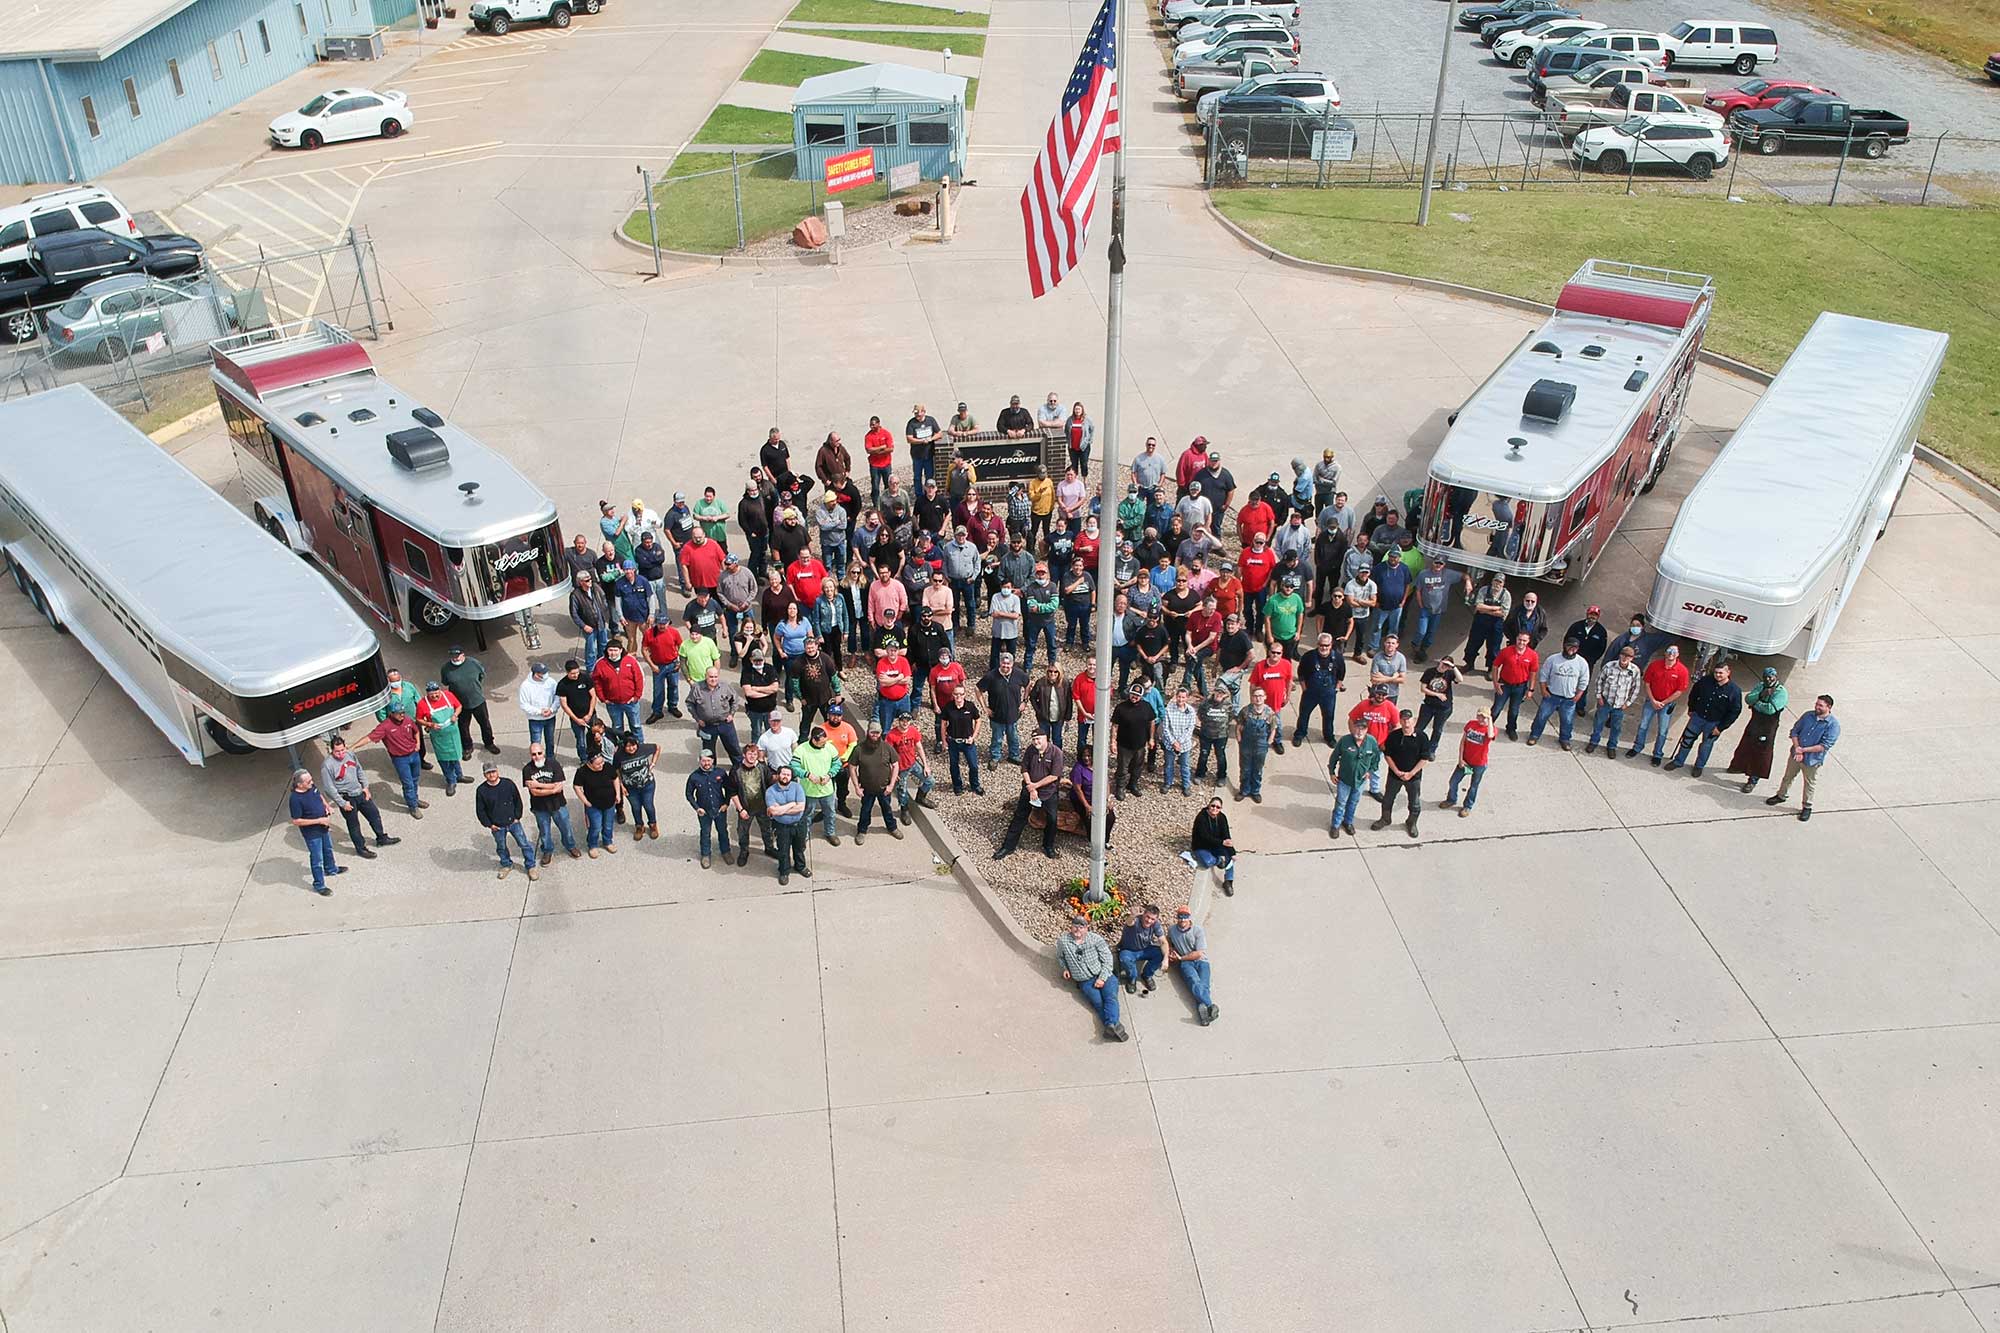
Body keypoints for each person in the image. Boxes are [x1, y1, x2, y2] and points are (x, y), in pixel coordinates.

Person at [319, 736, 396, 860]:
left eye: (342, 750)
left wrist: (365, 787)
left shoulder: (350, 755)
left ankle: (381, 837)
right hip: (346, 798)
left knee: (374, 814)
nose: (341, 754)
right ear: (331, 750)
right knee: (354, 825)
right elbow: (329, 788)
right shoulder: (327, 765)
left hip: (360, 793)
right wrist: (342, 803)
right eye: (337, 751)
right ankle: (361, 848)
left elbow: (359, 770)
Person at [993, 731, 1067, 860]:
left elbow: (1054, 776)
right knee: (1019, 817)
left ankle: (1048, 846)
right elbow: (1024, 769)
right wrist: (1031, 787)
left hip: (1048, 792)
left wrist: (1035, 786)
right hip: (1029, 790)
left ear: (1046, 739)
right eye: (1033, 739)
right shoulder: (1030, 750)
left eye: (1038, 739)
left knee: (1052, 819)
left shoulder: (1056, 753)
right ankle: (1008, 846)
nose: (1035, 742)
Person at [1765, 694, 1838, 821]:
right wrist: (1797, 748)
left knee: (1809, 783)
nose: (1817, 707)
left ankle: (1807, 807)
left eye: (1820, 705)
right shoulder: (1808, 716)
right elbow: (1794, 731)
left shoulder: (1833, 725)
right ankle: (1781, 795)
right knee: (1788, 776)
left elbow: (1824, 746)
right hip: (1796, 754)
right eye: (1816, 704)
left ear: (1829, 707)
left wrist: (1802, 750)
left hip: (1812, 760)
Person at [1666, 662, 1744, 776]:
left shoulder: (1734, 691)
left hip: (1714, 723)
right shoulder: (1705, 681)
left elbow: (1734, 712)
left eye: (1721, 673)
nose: (1717, 675)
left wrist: (1721, 727)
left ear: (1728, 673)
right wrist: (1691, 708)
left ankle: (1699, 766)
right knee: (1687, 740)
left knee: (1706, 746)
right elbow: (1694, 694)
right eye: (1716, 672)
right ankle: (1678, 761)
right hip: (1697, 718)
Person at [1058, 914, 1127, 1041]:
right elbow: (1061, 958)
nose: (1078, 929)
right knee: (1098, 1003)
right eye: (1075, 926)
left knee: (1110, 997)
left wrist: (1102, 978)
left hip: (1104, 975)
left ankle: (1111, 1025)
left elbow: (1107, 959)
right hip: (1085, 980)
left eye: (1081, 927)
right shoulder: (1063, 941)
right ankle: (1114, 1026)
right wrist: (1065, 968)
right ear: (1071, 927)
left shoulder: (1095, 939)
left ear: (1087, 928)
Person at [358, 701, 427, 817]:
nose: (402, 715)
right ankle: (413, 807)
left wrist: (418, 744)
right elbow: (369, 738)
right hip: (400, 759)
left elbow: (416, 732)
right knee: (408, 783)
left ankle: (414, 799)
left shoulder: (408, 720)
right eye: (399, 713)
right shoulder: (385, 726)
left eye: (403, 712)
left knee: (415, 779)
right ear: (392, 713)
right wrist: (352, 747)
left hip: (414, 755)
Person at [1727, 667, 1789, 793]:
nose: (1768, 679)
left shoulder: (1781, 692)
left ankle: (1753, 779)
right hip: (1755, 722)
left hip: (1768, 727)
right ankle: (1739, 766)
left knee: (1761, 753)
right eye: (1765, 676)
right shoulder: (1760, 686)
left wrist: (1756, 703)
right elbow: (1748, 698)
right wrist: (1760, 696)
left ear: (1776, 677)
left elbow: (1771, 709)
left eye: (1771, 676)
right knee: (1745, 745)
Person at [1628, 644, 1691, 766]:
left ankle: (1657, 754)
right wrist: (1653, 700)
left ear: (1678, 654)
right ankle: (1637, 747)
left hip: (1667, 705)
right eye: (1669, 651)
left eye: (1674, 651)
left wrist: (1664, 702)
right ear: (1665, 653)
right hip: (1651, 701)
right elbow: (1647, 683)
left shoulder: (1682, 671)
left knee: (1662, 731)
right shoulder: (1655, 665)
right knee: (1643, 725)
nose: (1671, 653)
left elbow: (1680, 691)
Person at [475, 762, 538, 881]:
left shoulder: (508, 784)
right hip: (497, 827)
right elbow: (480, 811)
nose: (491, 775)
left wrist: (517, 817)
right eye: (488, 773)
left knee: (524, 844)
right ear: (484, 775)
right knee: (501, 847)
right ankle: (506, 864)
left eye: (493, 771)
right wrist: (489, 825)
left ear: (497, 771)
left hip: (513, 823)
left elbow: (517, 800)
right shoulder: (481, 790)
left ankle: (531, 866)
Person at [1527, 636, 1592, 749]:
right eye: (1569, 646)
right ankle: (1534, 735)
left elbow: (1584, 680)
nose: (1571, 649)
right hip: (1551, 696)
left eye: (1575, 647)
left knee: (1567, 721)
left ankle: (1565, 739)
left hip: (1569, 699)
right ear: (1564, 645)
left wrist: (1578, 695)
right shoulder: (1553, 659)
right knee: (1541, 716)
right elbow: (1543, 675)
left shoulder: (1582, 663)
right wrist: (1543, 689)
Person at [1372, 709, 1428, 838]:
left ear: (1413, 720)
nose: (1406, 722)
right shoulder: (1393, 736)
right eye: (1403, 719)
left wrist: (1411, 773)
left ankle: (1411, 823)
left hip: (1414, 778)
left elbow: (1424, 758)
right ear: (1400, 721)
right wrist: (1396, 771)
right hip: (1394, 776)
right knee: (1387, 800)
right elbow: (1387, 755)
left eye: (1408, 719)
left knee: (1414, 803)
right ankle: (1385, 819)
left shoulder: (1422, 737)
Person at [288, 768, 344, 896]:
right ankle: (319, 884)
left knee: (328, 849)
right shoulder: (295, 799)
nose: (312, 783)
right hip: (312, 833)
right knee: (317, 859)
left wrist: (327, 806)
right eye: (308, 782)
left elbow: (319, 795)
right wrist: (319, 820)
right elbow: (296, 821)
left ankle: (331, 869)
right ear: (299, 784)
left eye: (311, 780)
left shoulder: (311, 787)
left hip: (323, 827)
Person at [521, 741, 579, 862]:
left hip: (558, 805)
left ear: (544, 753)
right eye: (533, 754)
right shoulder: (527, 769)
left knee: (566, 827)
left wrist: (538, 784)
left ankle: (570, 846)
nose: (537, 756)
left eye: (539, 753)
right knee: (544, 832)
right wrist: (552, 789)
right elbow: (534, 792)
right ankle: (547, 851)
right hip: (539, 808)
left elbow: (559, 787)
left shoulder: (554, 764)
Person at [849, 720, 904, 845]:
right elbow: (852, 767)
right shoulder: (859, 749)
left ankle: (892, 827)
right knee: (865, 811)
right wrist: (857, 787)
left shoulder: (887, 747)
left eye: (877, 733)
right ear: (867, 732)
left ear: (880, 734)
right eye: (872, 732)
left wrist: (891, 785)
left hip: (884, 789)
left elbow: (895, 765)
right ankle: (862, 831)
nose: (875, 735)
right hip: (867, 790)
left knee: (887, 810)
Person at [1585, 643, 1642, 756]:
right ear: (1620, 655)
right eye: (1623, 655)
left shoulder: (1635, 670)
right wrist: (1599, 696)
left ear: (1632, 658)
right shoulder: (1609, 666)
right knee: (1598, 723)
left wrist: (1628, 703)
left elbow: (1636, 688)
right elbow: (1599, 681)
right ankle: (1593, 742)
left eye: (1628, 656)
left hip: (1620, 705)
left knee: (1616, 727)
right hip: (1605, 701)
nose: (1625, 658)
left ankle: (1612, 746)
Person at [1327, 715, 1380, 839]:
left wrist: (1370, 771)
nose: (1359, 731)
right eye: (1357, 728)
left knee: (1353, 803)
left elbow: (1376, 759)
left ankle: (1348, 822)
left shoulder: (1371, 742)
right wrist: (1332, 773)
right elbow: (1334, 757)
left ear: (1367, 730)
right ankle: (1335, 825)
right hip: (1344, 780)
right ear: (1352, 728)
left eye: (1363, 729)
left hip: (1360, 781)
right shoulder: (1345, 741)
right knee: (1341, 803)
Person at [440, 646, 498, 755]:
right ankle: (467, 747)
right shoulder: (446, 668)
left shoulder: (474, 663)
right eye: (453, 656)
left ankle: (489, 743)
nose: (455, 658)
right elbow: (446, 682)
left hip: (478, 701)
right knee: (463, 727)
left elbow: (481, 676)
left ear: (463, 654)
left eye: (457, 656)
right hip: (460, 704)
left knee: (485, 723)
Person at [1440, 706, 1496, 817]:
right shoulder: (1471, 724)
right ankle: (1451, 799)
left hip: (1479, 764)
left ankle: (1467, 806)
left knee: (1473, 785)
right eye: (1479, 716)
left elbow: (1490, 735)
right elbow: (1463, 742)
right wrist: (1460, 759)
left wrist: (1489, 721)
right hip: (1466, 762)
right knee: (1453, 781)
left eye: (1483, 717)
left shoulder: (1491, 729)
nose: (1480, 719)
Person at [793, 723, 843, 845]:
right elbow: (794, 767)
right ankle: (804, 834)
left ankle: (830, 832)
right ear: (813, 740)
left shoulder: (830, 748)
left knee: (830, 812)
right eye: (822, 743)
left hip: (827, 789)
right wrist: (807, 775)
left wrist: (829, 775)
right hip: (809, 790)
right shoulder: (801, 750)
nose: (824, 745)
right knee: (806, 814)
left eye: (825, 742)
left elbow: (837, 764)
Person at [683, 748, 733, 868]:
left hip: (720, 809)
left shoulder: (720, 773)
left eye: (709, 761)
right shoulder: (694, 777)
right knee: (705, 833)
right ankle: (705, 854)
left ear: (713, 761)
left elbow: (729, 788)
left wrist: (726, 803)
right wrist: (697, 808)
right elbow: (689, 794)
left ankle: (725, 851)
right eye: (704, 761)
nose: (706, 764)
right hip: (704, 812)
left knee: (723, 831)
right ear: (699, 761)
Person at [1167, 906, 1218, 1025]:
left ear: (1189, 918)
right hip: (1186, 964)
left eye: (1185, 917)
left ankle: (1204, 1017)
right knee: (1194, 982)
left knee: (1203, 985)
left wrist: (1181, 957)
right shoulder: (1172, 930)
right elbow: (1168, 941)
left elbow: (1198, 953)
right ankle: (1210, 1006)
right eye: (1180, 917)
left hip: (1201, 961)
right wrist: (1171, 951)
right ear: (1177, 918)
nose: (1182, 920)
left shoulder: (1198, 930)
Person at [979, 651, 1029, 766]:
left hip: (1013, 714)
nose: (1005, 666)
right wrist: (984, 707)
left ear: (1012, 664)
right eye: (1003, 663)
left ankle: (1014, 755)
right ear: (1000, 663)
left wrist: (1024, 702)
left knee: (1014, 737)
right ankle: (995, 757)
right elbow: (978, 690)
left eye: (1008, 664)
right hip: (996, 715)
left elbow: (1028, 684)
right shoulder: (991, 676)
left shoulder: (1019, 674)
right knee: (997, 738)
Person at [1348, 684, 1398, 796]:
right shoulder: (1364, 704)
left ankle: (1374, 789)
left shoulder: (1390, 707)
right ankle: (1354, 786)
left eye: (1384, 694)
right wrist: (1354, 735)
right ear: (1374, 693)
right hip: (1362, 743)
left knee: (1374, 768)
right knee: (1357, 765)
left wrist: (1386, 742)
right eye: (1379, 693)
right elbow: (1351, 719)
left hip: (1379, 745)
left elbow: (1396, 726)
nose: (1380, 696)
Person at [572, 748, 623, 856]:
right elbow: (576, 786)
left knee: (608, 825)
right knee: (595, 826)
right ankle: (592, 845)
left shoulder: (608, 767)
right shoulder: (582, 772)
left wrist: (618, 794)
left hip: (610, 803)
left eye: (602, 762)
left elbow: (615, 779)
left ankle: (608, 841)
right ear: (590, 764)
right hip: (593, 805)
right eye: (598, 764)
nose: (601, 765)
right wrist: (585, 801)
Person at [417, 682, 466, 795]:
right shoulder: (422, 703)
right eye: (431, 695)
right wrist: (430, 724)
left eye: (436, 693)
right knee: (444, 760)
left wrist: (455, 715)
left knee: (455, 756)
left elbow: (459, 706)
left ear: (440, 690)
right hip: (439, 737)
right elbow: (419, 719)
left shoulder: (448, 695)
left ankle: (459, 775)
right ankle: (451, 781)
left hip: (453, 734)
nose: (434, 696)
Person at [591, 642, 646, 742]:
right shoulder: (600, 664)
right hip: (613, 704)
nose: (613, 653)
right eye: (610, 650)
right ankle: (621, 746)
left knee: (636, 726)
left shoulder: (630, 661)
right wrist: (603, 698)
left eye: (615, 650)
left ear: (621, 650)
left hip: (631, 702)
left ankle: (640, 745)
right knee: (617, 727)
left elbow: (639, 679)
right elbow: (597, 683)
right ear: (607, 651)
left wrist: (636, 696)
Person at [767, 764, 812, 884]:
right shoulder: (770, 791)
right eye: (783, 774)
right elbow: (773, 811)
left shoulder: (798, 787)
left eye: (788, 774)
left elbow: (801, 807)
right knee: (783, 850)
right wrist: (792, 804)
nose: (785, 776)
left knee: (800, 847)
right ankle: (784, 871)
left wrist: (781, 809)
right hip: (781, 827)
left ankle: (800, 866)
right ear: (778, 775)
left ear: (791, 777)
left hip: (799, 824)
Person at [1490, 632, 1540, 740]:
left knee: (1514, 710)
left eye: (1524, 640)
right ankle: (1487, 728)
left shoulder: (1533, 655)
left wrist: (1531, 689)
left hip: (1520, 687)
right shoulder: (1506, 651)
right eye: (1519, 639)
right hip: (1504, 685)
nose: (1521, 642)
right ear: (1516, 639)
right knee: (1496, 709)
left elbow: (1533, 673)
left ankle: (1511, 729)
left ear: (1528, 641)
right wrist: (1495, 683)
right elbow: (1495, 666)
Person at [1235, 685, 1278, 804]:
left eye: (1260, 696)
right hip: (1246, 744)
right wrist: (1239, 738)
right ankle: (1244, 790)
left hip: (1261, 745)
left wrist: (1269, 741)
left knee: (1258, 769)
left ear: (1265, 697)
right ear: (1252, 698)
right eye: (1255, 696)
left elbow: (1273, 728)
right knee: (1245, 769)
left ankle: (1255, 791)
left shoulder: (1269, 713)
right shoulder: (1245, 711)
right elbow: (1239, 726)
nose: (1258, 698)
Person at [1111, 685, 1156, 798]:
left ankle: (1133, 784)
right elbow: (1115, 726)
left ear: (1141, 696)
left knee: (1137, 767)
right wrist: (1113, 742)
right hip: (1124, 745)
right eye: (1133, 694)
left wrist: (1151, 738)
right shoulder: (1121, 707)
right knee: (1122, 768)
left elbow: (1152, 722)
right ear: (1129, 694)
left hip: (1140, 745)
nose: (1134, 697)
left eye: (1137, 695)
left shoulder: (1147, 707)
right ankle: (1120, 787)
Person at [1462, 572, 1511, 674]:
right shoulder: (1484, 590)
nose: (1497, 584)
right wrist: (1495, 608)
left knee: (1494, 648)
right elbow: (1478, 606)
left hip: (1496, 625)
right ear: (1492, 581)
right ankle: (1469, 664)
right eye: (1495, 581)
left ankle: (1490, 669)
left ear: (1503, 584)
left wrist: (1485, 610)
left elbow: (1503, 613)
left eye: (1500, 582)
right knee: (1473, 644)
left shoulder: (1506, 595)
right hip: (1480, 622)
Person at [553, 658, 598, 764]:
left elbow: (593, 696)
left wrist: (590, 714)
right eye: (573, 673)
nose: (576, 675)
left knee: (594, 736)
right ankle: (583, 760)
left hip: (591, 715)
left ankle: (594, 756)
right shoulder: (562, 685)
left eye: (577, 672)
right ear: (567, 672)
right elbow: (564, 705)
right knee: (581, 741)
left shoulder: (585, 678)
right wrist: (576, 719)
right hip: (576, 717)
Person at [616, 731, 660, 839]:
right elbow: (616, 771)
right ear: (624, 746)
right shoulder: (619, 756)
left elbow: (657, 748)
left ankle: (653, 825)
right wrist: (621, 786)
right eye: (628, 746)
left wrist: (653, 763)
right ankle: (639, 826)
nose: (631, 748)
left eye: (633, 745)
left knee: (648, 806)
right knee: (635, 807)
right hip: (630, 788)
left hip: (647, 785)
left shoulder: (643, 749)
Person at [1116, 905, 1168, 995]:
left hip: (1145, 949)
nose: (1149, 920)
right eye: (1147, 917)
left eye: (1152, 919)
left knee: (1160, 953)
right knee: (1124, 958)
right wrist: (1132, 915)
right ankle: (1132, 979)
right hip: (1129, 950)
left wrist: (1166, 959)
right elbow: (1129, 922)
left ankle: (1147, 975)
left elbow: (1163, 942)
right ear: (1143, 914)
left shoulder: (1155, 924)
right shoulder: (1135, 920)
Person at [1414, 656, 1459, 759]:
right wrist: (1437, 694)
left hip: (1444, 708)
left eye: (1447, 666)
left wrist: (1453, 667)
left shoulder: (1450, 673)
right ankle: (1415, 746)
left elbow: (1460, 679)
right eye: (1444, 664)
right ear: (1440, 662)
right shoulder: (1430, 672)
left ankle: (1431, 750)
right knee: (1419, 727)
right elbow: (1423, 689)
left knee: (1437, 730)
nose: (1444, 667)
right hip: (1429, 705)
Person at [1189, 797, 1236, 894]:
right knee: (1208, 862)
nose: (1215, 809)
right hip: (1202, 846)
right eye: (1213, 806)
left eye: (1218, 807)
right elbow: (1204, 836)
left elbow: (1226, 835)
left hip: (1216, 844)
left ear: (1220, 809)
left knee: (1230, 857)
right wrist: (1221, 843)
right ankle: (1218, 860)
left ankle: (1228, 881)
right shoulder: (1201, 818)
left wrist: (1232, 852)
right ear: (1208, 805)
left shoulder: (1222, 818)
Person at [1158, 686, 1198, 796]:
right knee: (1168, 765)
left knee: (1185, 765)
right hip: (1170, 744)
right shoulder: (1168, 710)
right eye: (1179, 697)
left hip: (1184, 745)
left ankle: (1186, 785)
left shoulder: (1191, 711)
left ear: (1187, 698)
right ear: (1176, 697)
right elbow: (1165, 728)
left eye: (1183, 697)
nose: (1180, 699)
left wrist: (1179, 742)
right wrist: (1173, 742)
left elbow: (1190, 729)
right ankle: (1168, 783)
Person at [571, 570, 612, 674]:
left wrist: (605, 614)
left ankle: (602, 665)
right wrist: (583, 626)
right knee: (591, 650)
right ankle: (591, 670)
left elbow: (603, 599)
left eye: (590, 579)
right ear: (581, 582)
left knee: (603, 645)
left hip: (601, 622)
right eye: (587, 580)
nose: (590, 581)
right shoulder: (575, 595)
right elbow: (574, 614)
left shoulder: (596, 588)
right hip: (589, 626)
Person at [516, 660, 560, 752]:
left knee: (550, 741)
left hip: (550, 718)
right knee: (536, 743)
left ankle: (550, 760)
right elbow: (524, 704)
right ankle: (536, 762)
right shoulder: (526, 686)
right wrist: (539, 712)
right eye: (542, 673)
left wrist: (551, 709)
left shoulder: (551, 682)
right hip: (535, 720)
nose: (545, 675)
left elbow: (557, 697)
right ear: (535, 674)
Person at [987, 577, 1022, 672]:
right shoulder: (995, 596)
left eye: (1008, 587)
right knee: (995, 653)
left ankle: (1010, 670)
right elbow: (994, 614)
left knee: (1011, 653)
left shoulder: (1015, 598)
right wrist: (1008, 614)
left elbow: (1016, 615)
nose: (1006, 589)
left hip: (1011, 631)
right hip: (998, 630)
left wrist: (1001, 613)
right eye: (1004, 587)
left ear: (1012, 588)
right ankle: (993, 671)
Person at [906, 402, 942, 489]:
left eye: (918, 413)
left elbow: (939, 433)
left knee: (929, 476)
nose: (916, 415)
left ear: (923, 412)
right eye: (915, 413)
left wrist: (931, 439)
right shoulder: (911, 423)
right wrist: (921, 441)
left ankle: (928, 492)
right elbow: (909, 438)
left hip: (929, 455)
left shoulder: (931, 420)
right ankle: (918, 494)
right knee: (917, 477)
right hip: (917, 455)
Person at [1565, 604, 1609, 670]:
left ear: (1598, 617)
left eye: (1595, 615)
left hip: (1588, 664)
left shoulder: (1601, 631)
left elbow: (1601, 648)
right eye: (1591, 614)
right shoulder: (1576, 626)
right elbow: (1567, 640)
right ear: (1587, 614)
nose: (1593, 617)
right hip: (1571, 659)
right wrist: (1568, 653)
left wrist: (1592, 660)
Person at [1065, 401, 1094, 477]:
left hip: (1083, 447)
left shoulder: (1087, 420)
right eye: (1076, 409)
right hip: (1073, 447)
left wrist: (1089, 440)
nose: (1077, 411)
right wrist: (1068, 441)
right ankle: (1075, 480)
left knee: (1084, 464)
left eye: (1079, 409)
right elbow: (1066, 430)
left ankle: (1084, 479)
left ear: (1082, 410)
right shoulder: (1070, 420)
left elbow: (1092, 429)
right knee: (1074, 464)